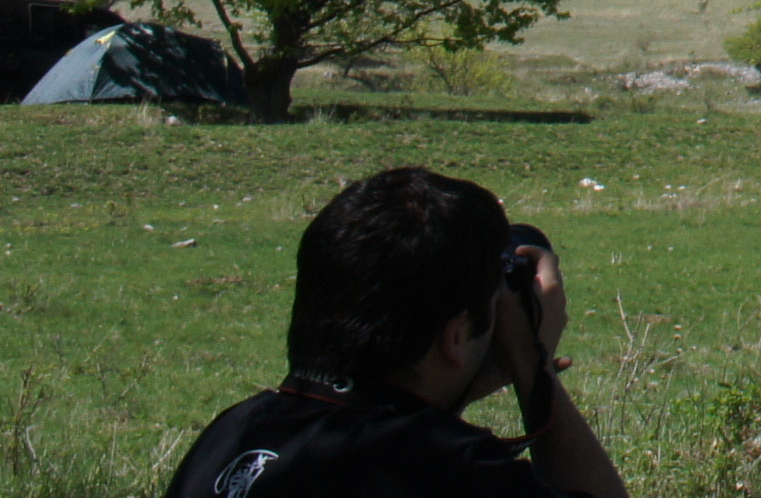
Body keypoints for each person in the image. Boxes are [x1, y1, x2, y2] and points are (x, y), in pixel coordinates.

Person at [162, 168, 627, 498]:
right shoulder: (453, 469)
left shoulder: (234, 433)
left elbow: (380, 431)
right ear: (456, 336)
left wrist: (453, 391)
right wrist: (533, 367)